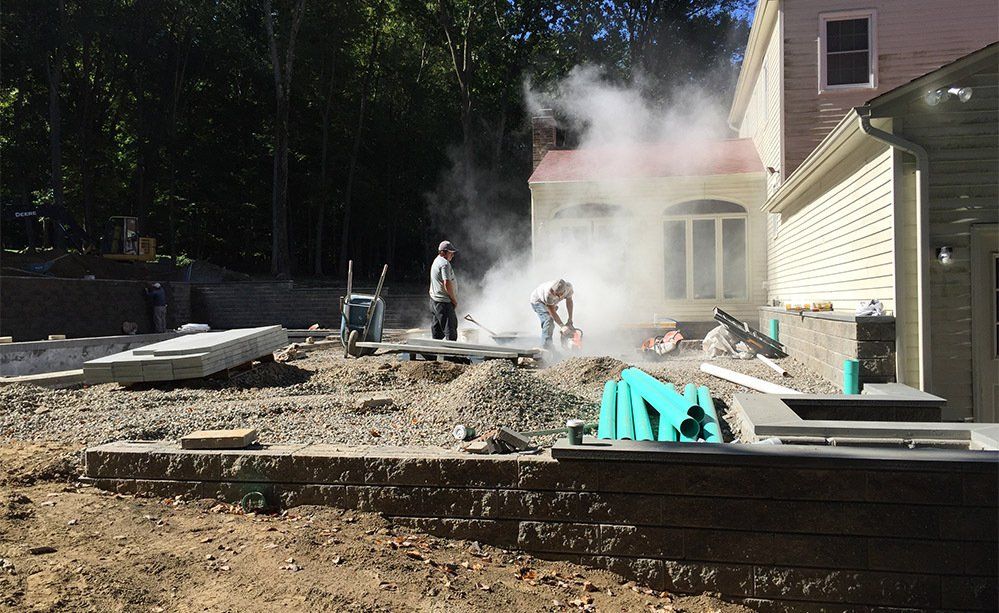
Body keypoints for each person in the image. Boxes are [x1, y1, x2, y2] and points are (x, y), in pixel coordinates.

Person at [529, 279, 574, 347]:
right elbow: (552, 311)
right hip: (538, 301)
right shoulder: (548, 294)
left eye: (557, 294)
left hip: (552, 302)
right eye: (554, 292)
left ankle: (550, 345)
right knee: (548, 320)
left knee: (552, 322)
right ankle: (546, 347)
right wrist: (562, 326)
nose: (554, 294)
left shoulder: (569, 288)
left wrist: (570, 320)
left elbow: (569, 302)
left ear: (563, 292)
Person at [429, 240, 459, 341]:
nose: (452, 255)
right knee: (450, 330)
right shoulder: (444, 264)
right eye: (451, 253)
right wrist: (454, 300)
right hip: (443, 302)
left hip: (434, 301)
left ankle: (436, 354)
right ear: (443, 252)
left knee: (437, 331)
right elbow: (447, 282)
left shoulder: (436, 261)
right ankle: (451, 355)